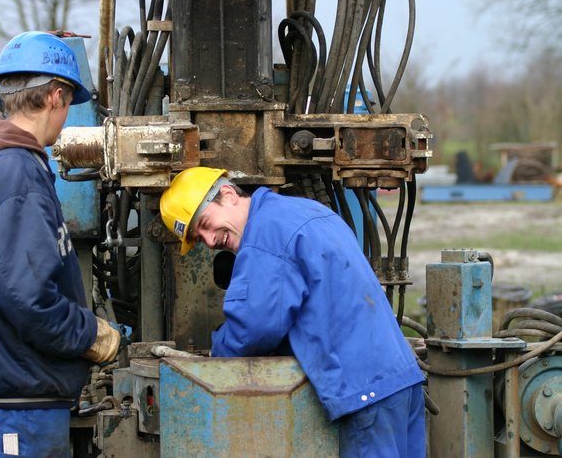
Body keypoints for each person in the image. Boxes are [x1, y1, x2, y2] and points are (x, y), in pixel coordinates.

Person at [159, 166, 426, 457]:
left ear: (227, 193)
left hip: (364, 393)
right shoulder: (304, 211)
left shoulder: (265, 234)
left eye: (206, 224)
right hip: (400, 380)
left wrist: (215, 355)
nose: (210, 241)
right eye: (199, 237)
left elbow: (252, 329)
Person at [0, 31, 121, 457]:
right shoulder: (16, 174)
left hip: (15, 390)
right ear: (55, 97)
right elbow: (22, 294)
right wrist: (89, 335)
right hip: (22, 398)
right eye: (68, 105)